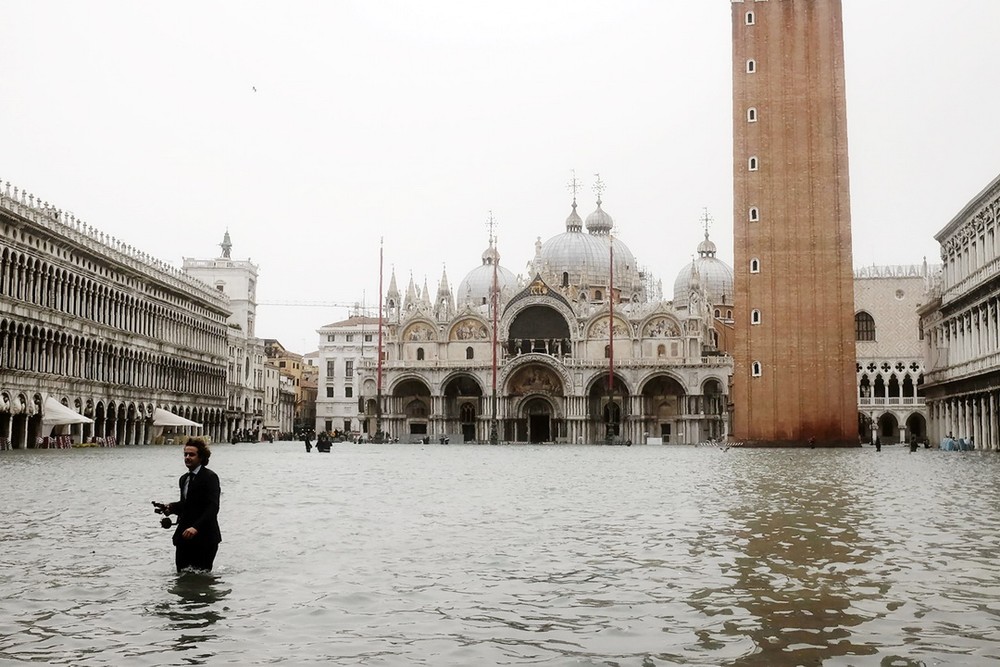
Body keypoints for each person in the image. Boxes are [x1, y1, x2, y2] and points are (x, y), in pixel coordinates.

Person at [159, 438, 222, 572]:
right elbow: (186, 505)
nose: (187, 457)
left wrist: (195, 527)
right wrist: (170, 508)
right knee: (181, 575)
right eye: (185, 454)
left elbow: (213, 507)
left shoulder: (210, 477)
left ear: (201, 457)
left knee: (201, 577)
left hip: (205, 537)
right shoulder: (184, 479)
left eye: (191, 454)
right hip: (184, 536)